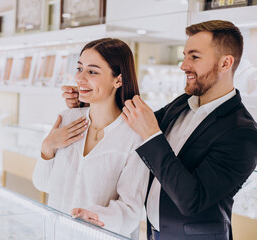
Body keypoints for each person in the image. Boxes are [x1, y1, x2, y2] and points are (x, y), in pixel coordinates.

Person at [62, 20, 257, 240]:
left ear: (225, 63)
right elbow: (130, 122)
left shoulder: (243, 133)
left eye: (194, 57)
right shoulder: (183, 103)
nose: (183, 65)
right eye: (184, 55)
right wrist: (88, 103)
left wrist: (151, 135)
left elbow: (193, 200)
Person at [32, 38, 149, 238]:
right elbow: (42, 184)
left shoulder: (134, 135)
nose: (80, 78)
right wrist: (47, 147)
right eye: (79, 69)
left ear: (118, 80)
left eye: (92, 71)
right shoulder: (67, 118)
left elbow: (131, 209)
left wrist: (96, 216)